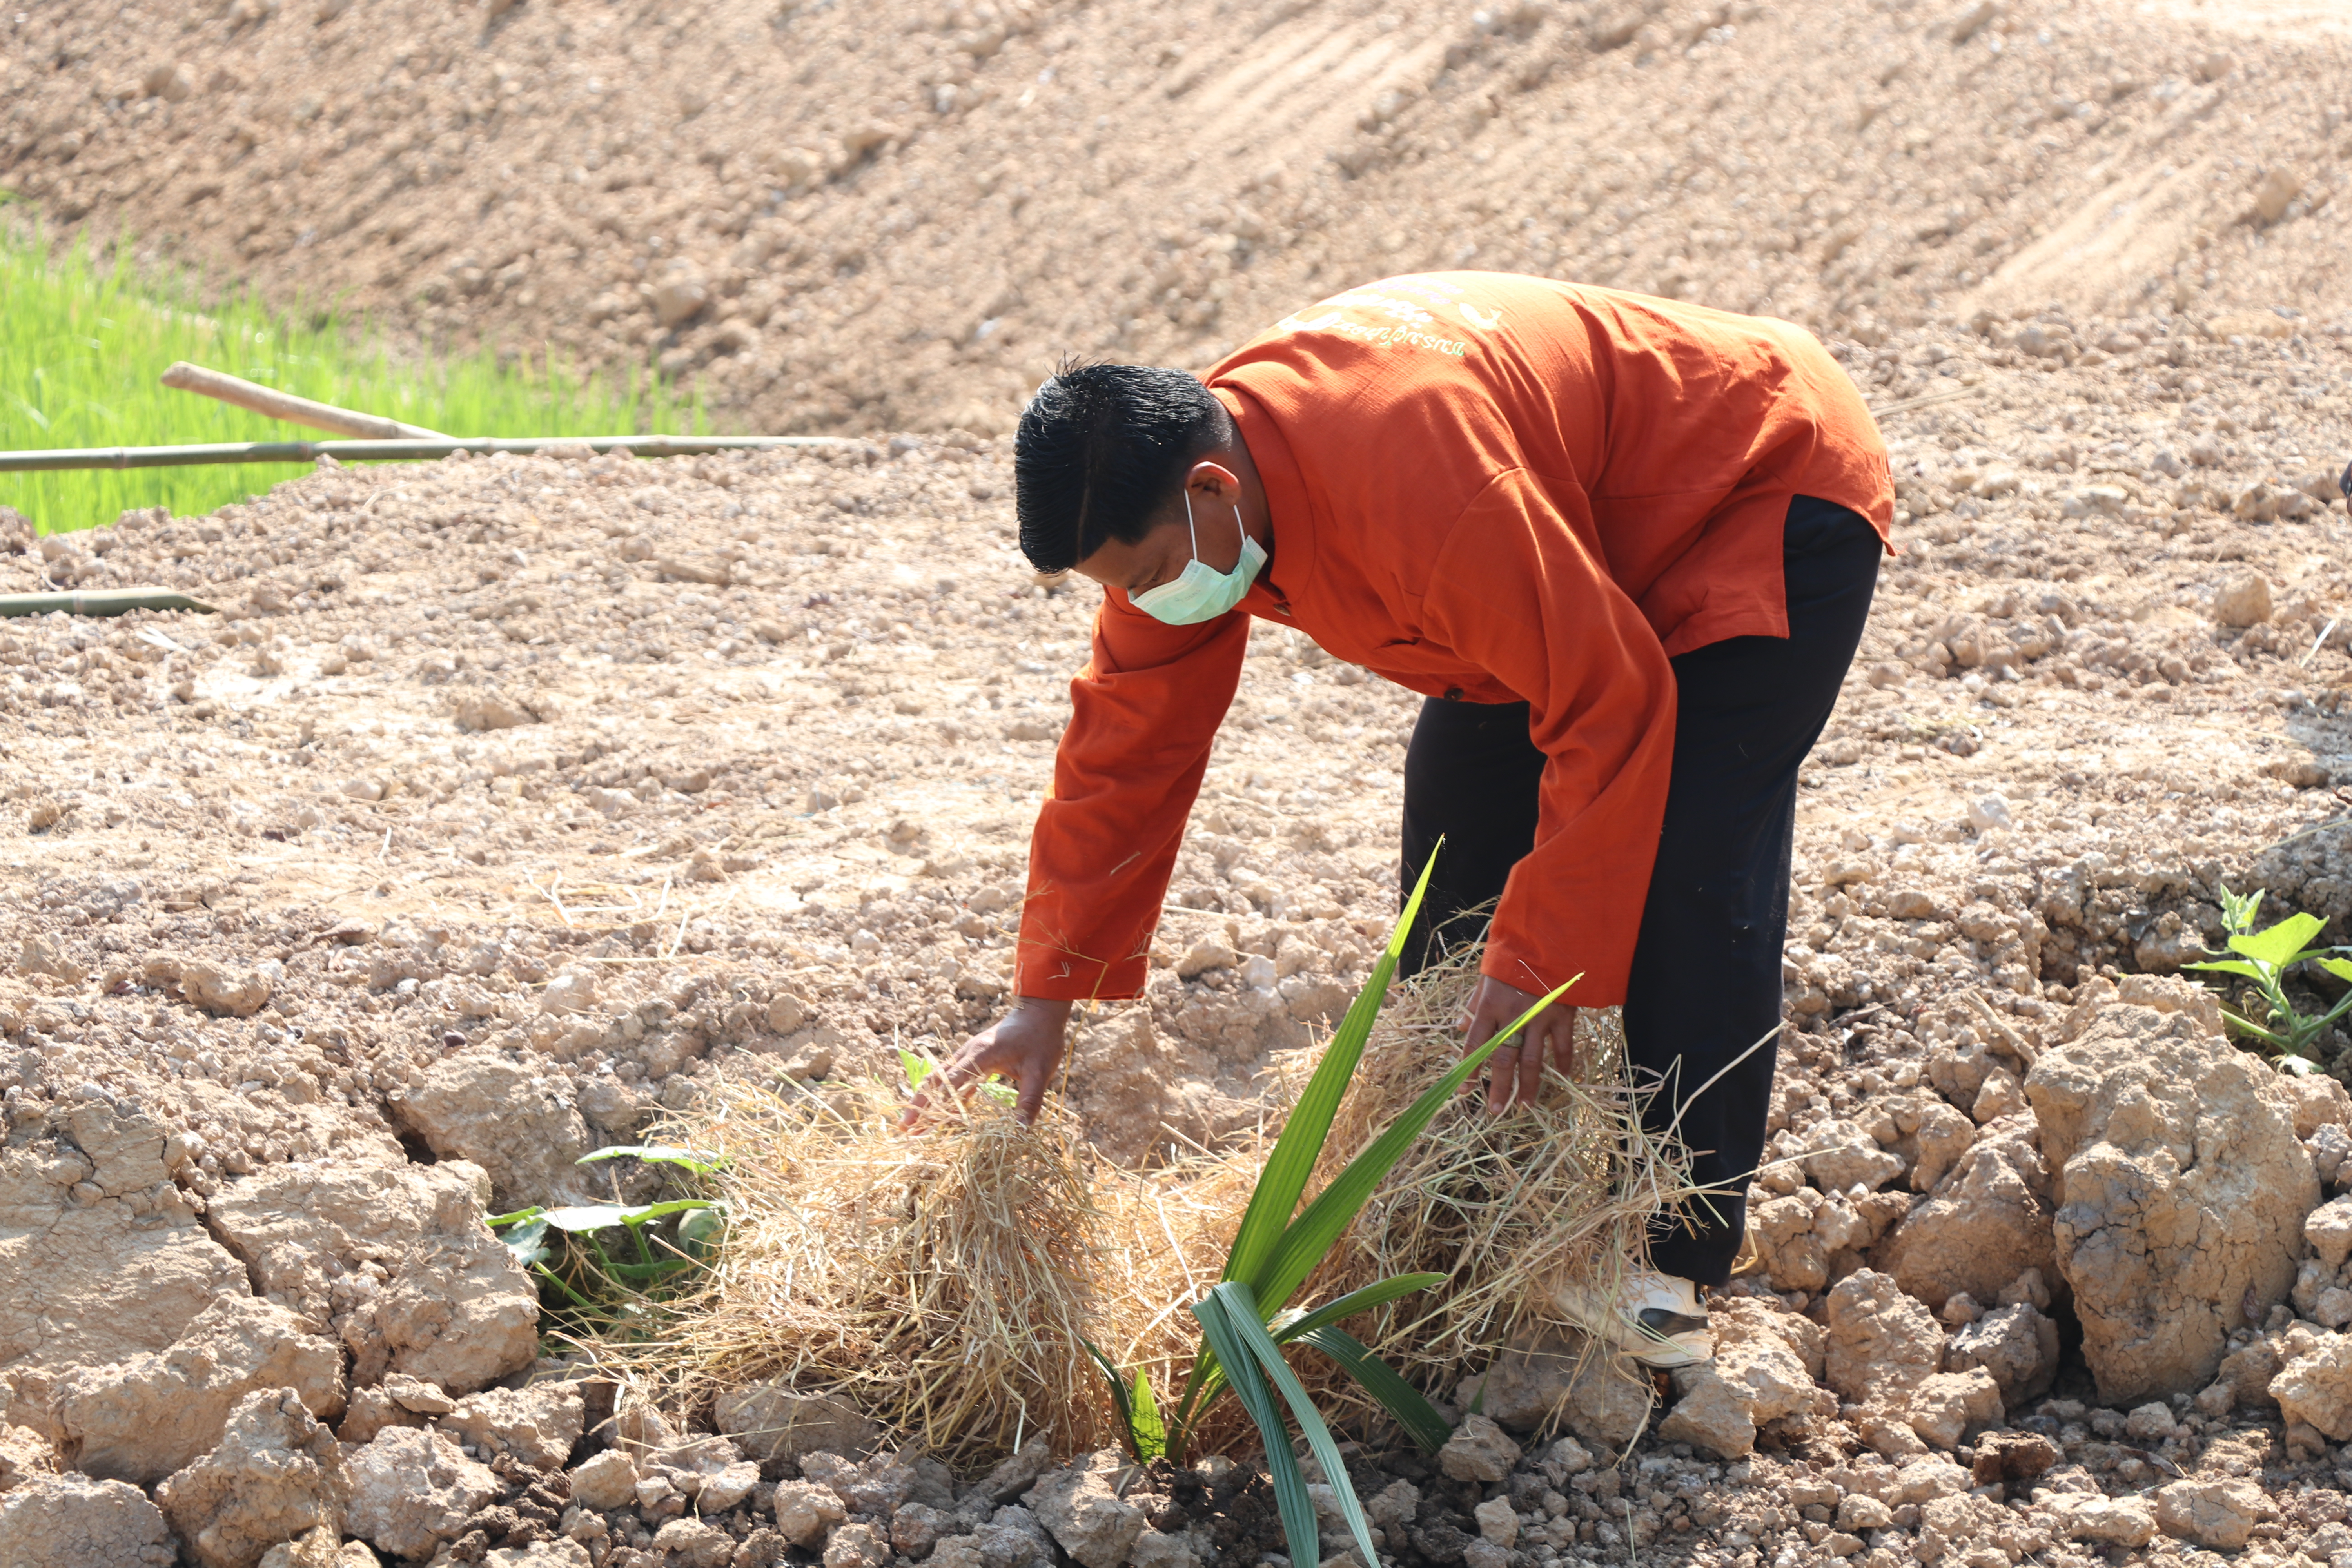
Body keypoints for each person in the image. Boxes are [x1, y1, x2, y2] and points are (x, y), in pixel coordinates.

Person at [909, 272, 1891, 1367]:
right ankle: (1467, 1208)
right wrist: (1044, 997)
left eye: (1144, 575)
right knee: (1456, 851)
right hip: (1557, 534)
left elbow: (1612, 703)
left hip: (1750, 478)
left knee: (1688, 859)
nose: (1142, 603)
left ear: (1211, 491)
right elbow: (1123, 754)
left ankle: (1668, 1269)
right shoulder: (1198, 515)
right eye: (1118, 588)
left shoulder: (1416, 486)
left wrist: (1543, 959)